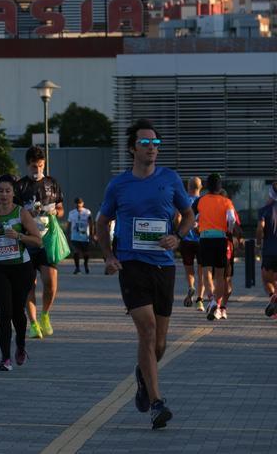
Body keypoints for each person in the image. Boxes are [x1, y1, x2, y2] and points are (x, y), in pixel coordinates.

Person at [97, 119, 194, 430]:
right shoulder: (119, 185)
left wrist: (177, 236)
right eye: (145, 143)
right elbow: (101, 222)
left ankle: (143, 374)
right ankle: (156, 403)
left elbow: (189, 214)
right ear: (132, 148)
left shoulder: (171, 179)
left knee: (161, 343)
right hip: (132, 265)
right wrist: (110, 256)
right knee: (148, 330)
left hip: (164, 266)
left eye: (156, 144)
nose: (152, 148)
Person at [0, 174, 42, 371]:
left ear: (14, 193)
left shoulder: (21, 213)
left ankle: (21, 345)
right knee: (4, 312)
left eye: (7, 191)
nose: (4, 194)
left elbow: (38, 240)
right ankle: (5, 358)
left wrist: (19, 236)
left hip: (21, 268)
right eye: (0, 191)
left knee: (17, 312)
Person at [14, 146, 64, 339]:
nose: (38, 170)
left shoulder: (52, 183)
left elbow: (60, 209)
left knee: (50, 283)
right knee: (29, 285)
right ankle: (33, 324)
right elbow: (14, 214)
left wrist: (54, 212)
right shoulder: (20, 186)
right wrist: (27, 214)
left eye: (41, 166)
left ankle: (45, 315)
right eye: (34, 167)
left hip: (47, 240)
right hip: (26, 241)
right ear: (27, 165)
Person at [192, 174, 237, 321]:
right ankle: (217, 304)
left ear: (206, 186)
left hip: (205, 239)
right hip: (221, 239)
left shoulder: (200, 201)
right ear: (220, 186)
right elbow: (231, 219)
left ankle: (211, 299)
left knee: (206, 273)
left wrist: (196, 227)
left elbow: (191, 217)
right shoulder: (226, 201)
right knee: (220, 275)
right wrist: (228, 229)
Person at [178, 177, 204, 310]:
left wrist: (178, 233)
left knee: (189, 269)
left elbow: (177, 217)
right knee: (202, 271)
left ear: (188, 187)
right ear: (201, 187)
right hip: (201, 240)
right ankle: (200, 300)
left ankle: (191, 287)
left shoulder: (183, 201)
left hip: (186, 239)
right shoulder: (204, 201)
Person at [258, 183, 277, 318]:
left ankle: (273, 296)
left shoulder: (264, 210)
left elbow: (260, 228)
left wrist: (259, 242)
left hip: (269, 251)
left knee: (267, 280)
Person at [67, 197, 92, 274]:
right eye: (77, 203)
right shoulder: (72, 213)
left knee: (86, 253)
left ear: (82, 203)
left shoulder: (87, 212)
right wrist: (68, 233)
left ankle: (86, 264)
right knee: (76, 252)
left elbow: (91, 223)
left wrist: (92, 234)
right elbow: (69, 224)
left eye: (80, 203)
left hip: (85, 236)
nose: (78, 204)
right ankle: (77, 268)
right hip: (75, 235)